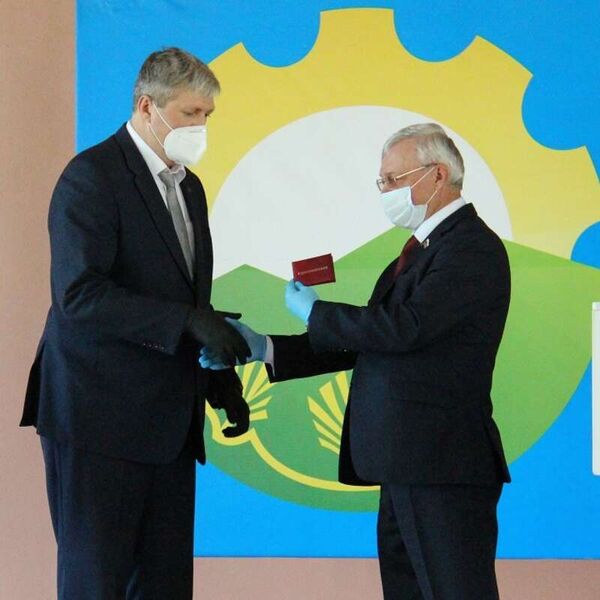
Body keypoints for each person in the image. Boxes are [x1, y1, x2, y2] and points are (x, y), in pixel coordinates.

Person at [201, 123, 511, 599]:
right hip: (407, 462)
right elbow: (371, 342)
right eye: (381, 181)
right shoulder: (420, 253)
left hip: (442, 464)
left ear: (437, 174)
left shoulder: (470, 248)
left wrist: (317, 312)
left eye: (394, 179)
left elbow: (404, 328)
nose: (385, 191)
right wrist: (265, 347)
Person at [20, 47, 251, 599]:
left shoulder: (188, 186)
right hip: (97, 419)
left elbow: (185, 296)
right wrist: (189, 321)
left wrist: (218, 381)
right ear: (147, 107)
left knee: (165, 585)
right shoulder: (92, 177)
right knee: (96, 584)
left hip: (169, 424)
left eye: (207, 116)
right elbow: (79, 295)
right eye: (190, 113)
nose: (200, 127)